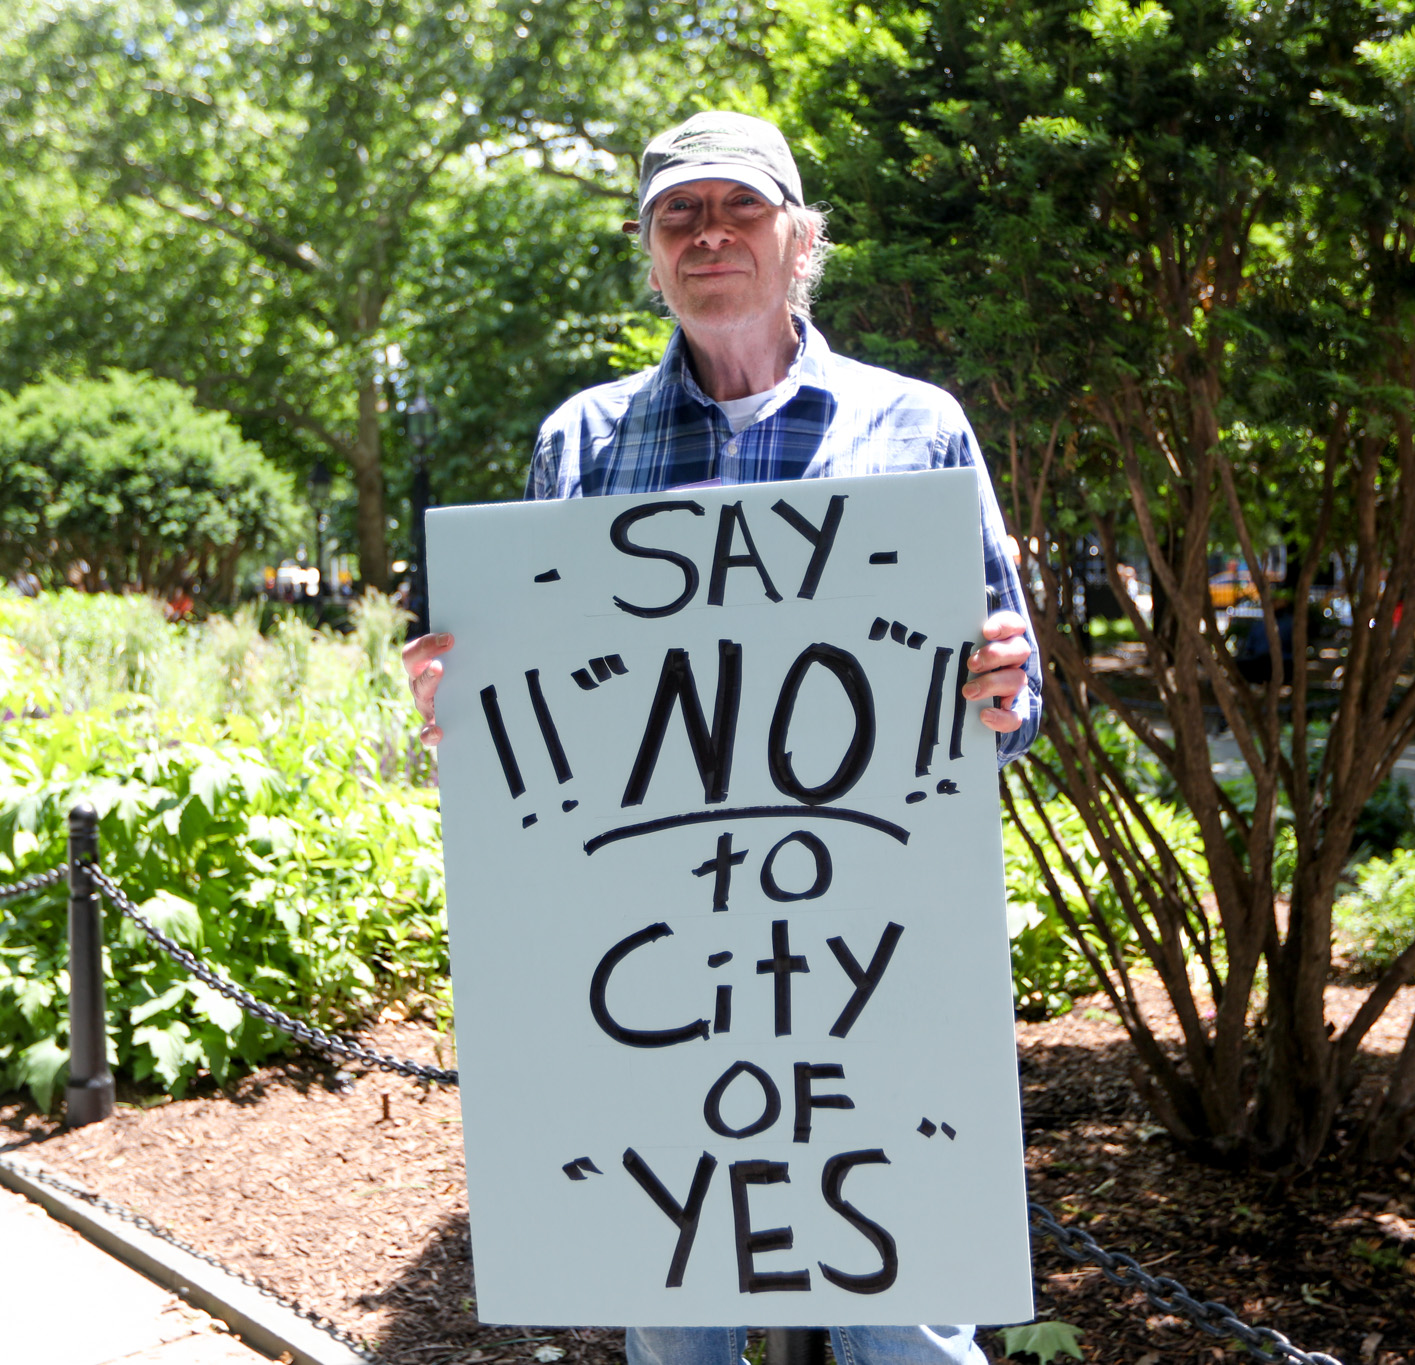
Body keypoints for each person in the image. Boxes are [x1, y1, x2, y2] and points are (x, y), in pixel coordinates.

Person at [402, 110, 1042, 1365]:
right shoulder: (580, 444)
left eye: (737, 209)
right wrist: (458, 705)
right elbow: (541, 729)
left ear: (797, 239)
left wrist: (1001, 695)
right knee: (671, 1311)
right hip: (649, 965)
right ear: (648, 252)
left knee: (908, 1319)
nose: (709, 235)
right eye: (676, 215)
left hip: (870, 958)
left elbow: (1007, 710)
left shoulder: (915, 426)